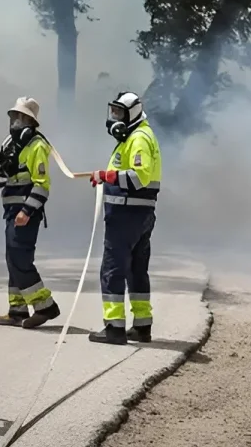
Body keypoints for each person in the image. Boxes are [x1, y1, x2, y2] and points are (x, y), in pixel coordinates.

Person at [86, 91, 161, 346]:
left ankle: (114, 328)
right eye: (113, 112)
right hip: (138, 216)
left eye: (119, 113)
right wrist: (106, 176)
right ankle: (142, 326)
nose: (114, 117)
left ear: (132, 114)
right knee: (136, 271)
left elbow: (139, 178)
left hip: (126, 216)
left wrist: (107, 176)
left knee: (113, 270)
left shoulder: (138, 138)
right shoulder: (133, 138)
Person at [0, 97, 60, 329]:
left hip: (25, 213)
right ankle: (17, 310)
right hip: (10, 210)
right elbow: (9, 173)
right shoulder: (9, 142)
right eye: (13, 116)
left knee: (20, 258)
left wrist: (27, 211)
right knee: (12, 258)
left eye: (20, 117)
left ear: (30, 120)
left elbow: (42, 184)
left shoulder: (38, 145)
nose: (15, 121)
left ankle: (45, 306)